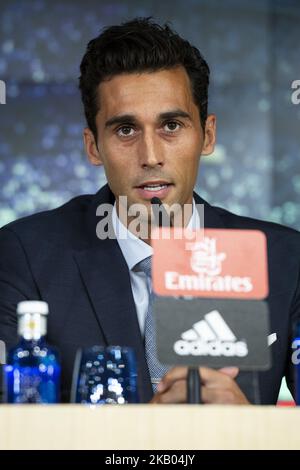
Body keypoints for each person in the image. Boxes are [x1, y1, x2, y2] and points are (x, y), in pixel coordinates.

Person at [0, 18, 299, 404]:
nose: (151, 156)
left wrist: (248, 433)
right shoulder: (22, 255)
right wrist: (142, 436)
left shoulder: (284, 258)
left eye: (171, 125)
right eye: (125, 130)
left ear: (207, 135)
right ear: (93, 146)